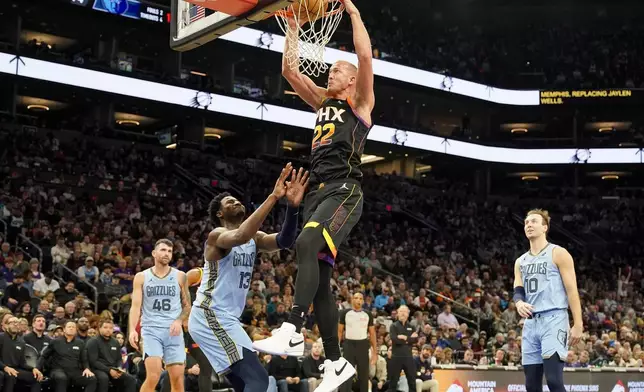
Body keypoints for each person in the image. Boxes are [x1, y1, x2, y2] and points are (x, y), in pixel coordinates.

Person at [252, 0, 375, 390]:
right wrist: (291, 25)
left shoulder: (360, 103)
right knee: (319, 276)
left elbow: (363, 54)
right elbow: (290, 69)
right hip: (317, 192)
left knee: (307, 242)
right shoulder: (323, 102)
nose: (331, 70)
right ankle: (336, 363)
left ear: (352, 80)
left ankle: (292, 328)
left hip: (345, 190)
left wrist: (353, 14)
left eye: (338, 69)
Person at [188, 163, 308, 392]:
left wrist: (292, 207)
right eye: (229, 202)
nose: (236, 202)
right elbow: (241, 235)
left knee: (246, 383)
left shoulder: (255, 238)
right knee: (258, 380)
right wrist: (274, 197)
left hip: (228, 320)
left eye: (236, 199)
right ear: (220, 214)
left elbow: (284, 241)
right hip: (209, 314)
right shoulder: (217, 236)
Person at [513, 209, 583, 392]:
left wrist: (578, 323)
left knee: (553, 380)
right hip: (530, 323)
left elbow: (572, 290)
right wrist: (519, 303)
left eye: (534, 221)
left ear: (545, 227)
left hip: (554, 319)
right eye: (526, 222)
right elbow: (518, 289)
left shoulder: (558, 253)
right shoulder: (520, 261)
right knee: (531, 385)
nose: (528, 225)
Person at [128, 239, 191, 392]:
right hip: (151, 330)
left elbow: (187, 306)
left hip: (174, 332)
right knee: (154, 375)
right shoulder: (141, 277)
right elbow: (135, 307)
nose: (167, 254)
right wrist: (132, 330)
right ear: (154, 253)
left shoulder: (180, 276)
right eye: (163, 250)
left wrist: (179, 320)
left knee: (177, 379)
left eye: (169, 251)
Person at [338, 292, 378, 392]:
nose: (358, 300)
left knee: (364, 376)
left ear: (363, 301)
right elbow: (339, 331)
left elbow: (372, 334)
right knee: (346, 374)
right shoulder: (345, 313)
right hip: (349, 345)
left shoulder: (368, 314)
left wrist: (375, 352)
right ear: (352, 300)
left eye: (360, 298)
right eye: (356, 298)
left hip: (363, 345)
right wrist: (336, 348)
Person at [183, 267, 213, 392]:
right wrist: (185, 314)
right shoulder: (197, 274)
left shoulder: (224, 281)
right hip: (182, 324)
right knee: (176, 367)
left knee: (206, 367)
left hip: (200, 327)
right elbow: (178, 288)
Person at [87, 319, 137, 392]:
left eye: (110, 328)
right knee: (104, 378)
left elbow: (119, 359)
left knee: (131, 379)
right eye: (105, 327)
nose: (108, 330)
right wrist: (109, 370)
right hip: (98, 369)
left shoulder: (115, 342)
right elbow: (93, 361)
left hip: (113, 369)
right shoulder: (93, 341)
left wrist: (119, 368)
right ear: (99, 328)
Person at [388, 305, 418, 392]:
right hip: (396, 357)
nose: (403, 313)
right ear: (397, 313)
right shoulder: (393, 326)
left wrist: (405, 338)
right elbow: (395, 339)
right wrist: (409, 339)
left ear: (408, 314)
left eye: (405, 312)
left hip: (408, 357)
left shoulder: (411, 326)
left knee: (412, 382)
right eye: (401, 311)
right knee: (393, 382)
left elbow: (415, 340)